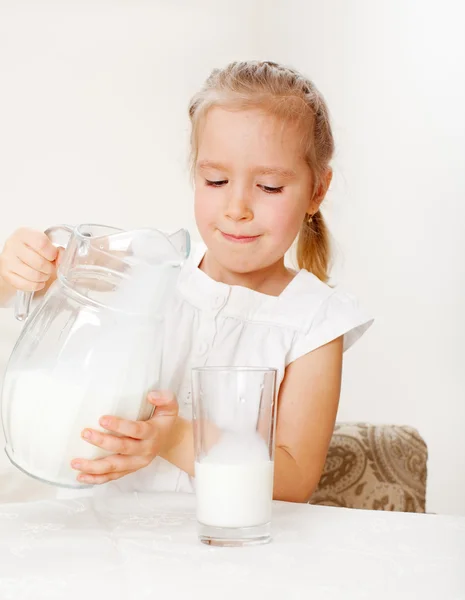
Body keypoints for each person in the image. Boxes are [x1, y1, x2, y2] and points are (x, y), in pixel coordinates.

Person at [0, 60, 372, 503]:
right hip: (100, 533)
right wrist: (14, 270)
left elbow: (294, 480)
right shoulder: (148, 269)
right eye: (216, 180)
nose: (237, 207)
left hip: (223, 548)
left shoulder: (315, 321)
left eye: (269, 187)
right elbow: (29, 291)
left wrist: (174, 437)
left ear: (317, 191)